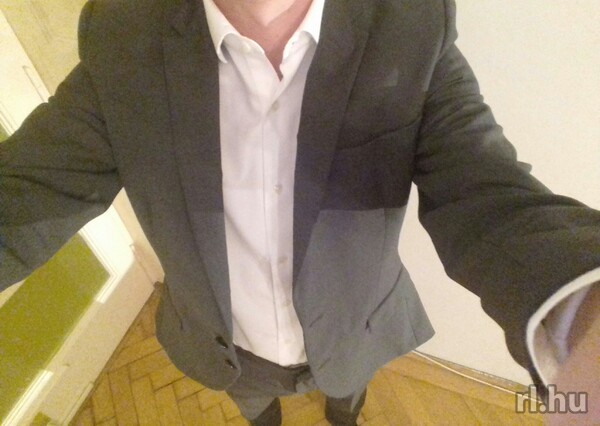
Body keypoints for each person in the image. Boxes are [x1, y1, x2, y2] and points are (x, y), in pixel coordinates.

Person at [1, 0, 598, 424]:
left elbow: (488, 195)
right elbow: (28, 191)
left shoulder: (412, 22)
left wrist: (586, 314)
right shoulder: (122, 34)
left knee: (347, 400)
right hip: (224, 345)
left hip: (354, 330)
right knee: (255, 409)